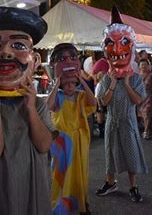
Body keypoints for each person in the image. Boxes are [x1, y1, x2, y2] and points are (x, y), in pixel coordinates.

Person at [0, 6, 55, 214]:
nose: (6, 52)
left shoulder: (38, 104)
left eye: (18, 44)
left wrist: (31, 108)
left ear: (34, 61)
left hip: (33, 190)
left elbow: (44, 145)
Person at [95, 6, 148, 203]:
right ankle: (111, 182)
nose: (117, 49)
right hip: (112, 121)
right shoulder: (106, 79)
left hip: (129, 122)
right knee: (110, 154)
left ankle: (133, 186)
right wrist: (113, 84)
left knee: (131, 154)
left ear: (131, 46)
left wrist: (126, 84)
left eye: (124, 42)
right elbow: (103, 102)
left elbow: (138, 100)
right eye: (111, 43)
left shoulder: (135, 78)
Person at [47, 43, 97, 214]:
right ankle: (60, 208)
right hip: (61, 142)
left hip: (79, 141)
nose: (69, 86)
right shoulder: (58, 96)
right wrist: (57, 83)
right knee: (59, 175)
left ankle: (81, 204)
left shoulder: (81, 96)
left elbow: (94, 103)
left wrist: (81, 79)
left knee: (79, 174)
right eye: (66, 84)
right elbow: (49, 105)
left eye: (72, 83)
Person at [138, 59, 152, 139]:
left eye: (145, 64)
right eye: (142, 64)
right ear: (139, 66)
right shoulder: (137, 76)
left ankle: (146, 131)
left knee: (147, 113)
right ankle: (148, 127)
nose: (143, 66)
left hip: (149, 97)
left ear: (148, 66)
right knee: (142, 115)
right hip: (139, 98)